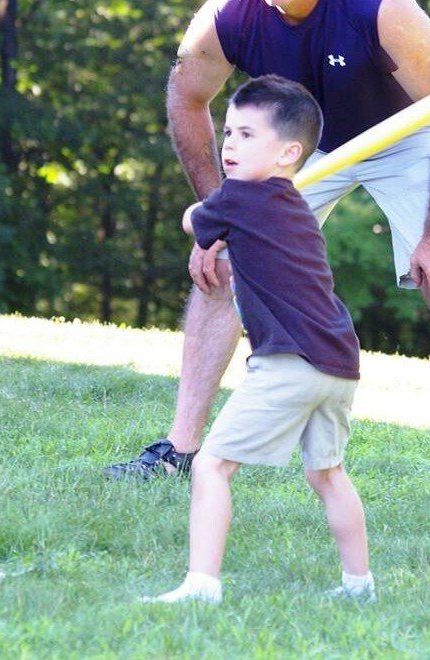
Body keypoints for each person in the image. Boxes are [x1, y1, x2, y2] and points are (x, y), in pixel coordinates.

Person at [104, 0, 430, 508]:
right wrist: (221, 213)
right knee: (224, 264)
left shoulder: (383, 11)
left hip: (408, 136)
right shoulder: (229, 16)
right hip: (307, 146)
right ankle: (178, 449)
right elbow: (186, 98)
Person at [141, 75, 374, 605]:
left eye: (247, 135)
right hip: (338, 363)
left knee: (211, 465)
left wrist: (203, 216)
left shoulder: (241, 198)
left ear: (290, 152)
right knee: (328, 474)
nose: (229, 146)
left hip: (288, 361)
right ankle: (359, 586)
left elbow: (193, 222)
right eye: (228, 134)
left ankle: (202, 585)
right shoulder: (292, 205)